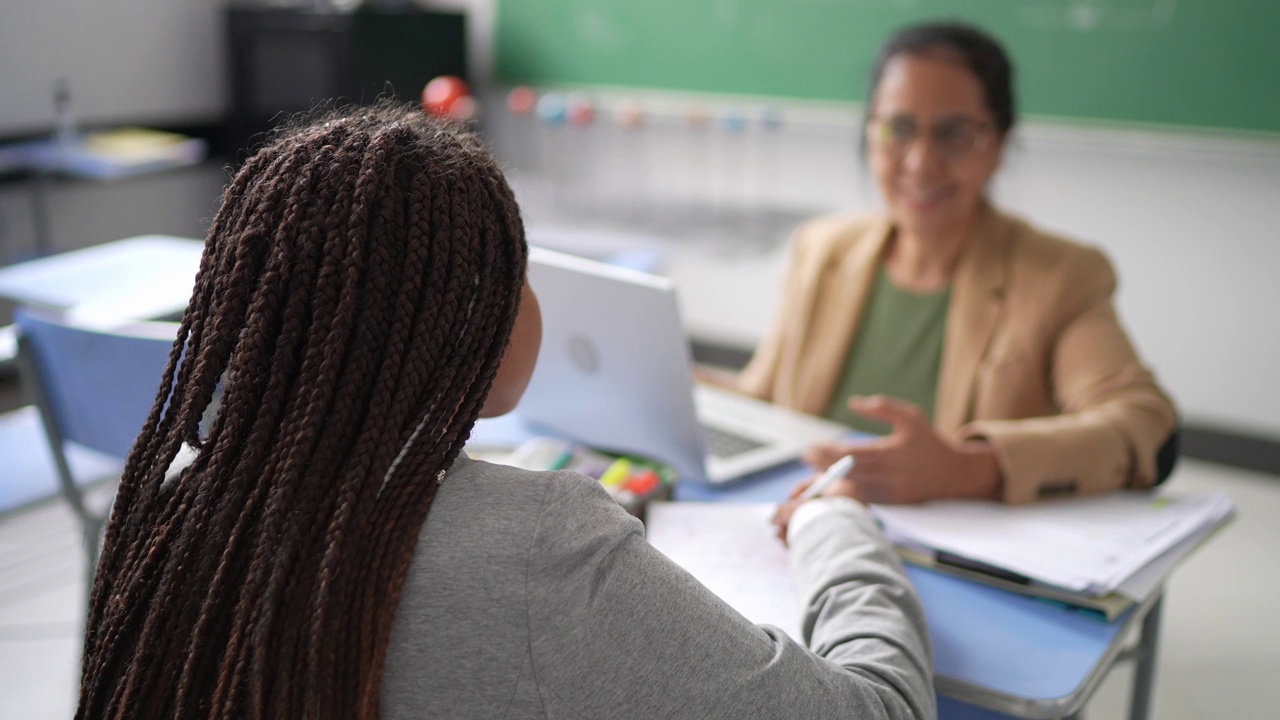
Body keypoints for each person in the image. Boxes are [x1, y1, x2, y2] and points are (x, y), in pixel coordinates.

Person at [76, 103, 935, 719]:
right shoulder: (539, 548)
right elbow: (880, 710)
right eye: (518, 265)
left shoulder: (173, 508)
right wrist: (837, 528)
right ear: (468, 313)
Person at [743, 21, 1176, 514]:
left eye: (954, 134)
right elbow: (761, 393)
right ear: (870, 134)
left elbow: (1142, 422)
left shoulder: (1061, 276)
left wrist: (967, 469)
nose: (921, 163)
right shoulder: (820, 250)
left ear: (997, 145)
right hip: (807, 528)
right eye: (898, 129)